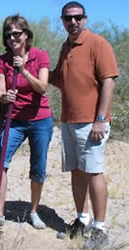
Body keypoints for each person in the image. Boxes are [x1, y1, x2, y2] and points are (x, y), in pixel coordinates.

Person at [50, 1, 118, 249]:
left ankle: (100, 229)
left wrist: (100, 119)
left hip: (92, 123)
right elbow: (58, 78)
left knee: (94, 172)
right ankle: (83, 219)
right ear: (62, 20)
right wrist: (32, 69)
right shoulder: (66, 46)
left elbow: (109, 82)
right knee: (77, 172)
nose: (73, 22)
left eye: (77, 17)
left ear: (85, 19)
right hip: (68, 121)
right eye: (68, 18)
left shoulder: (97, 43)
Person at [0, 14, 53, 229]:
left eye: (17, 33)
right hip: (14, 119)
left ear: (26, 35)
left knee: (38, 167)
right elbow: (0, 91)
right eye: (8, 35)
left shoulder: (40, 56)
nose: (12, 38)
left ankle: (34, 211)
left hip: (40, 119)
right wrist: (4, 97)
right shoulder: (1, 61)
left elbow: (43, 87)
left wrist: (23, 69)